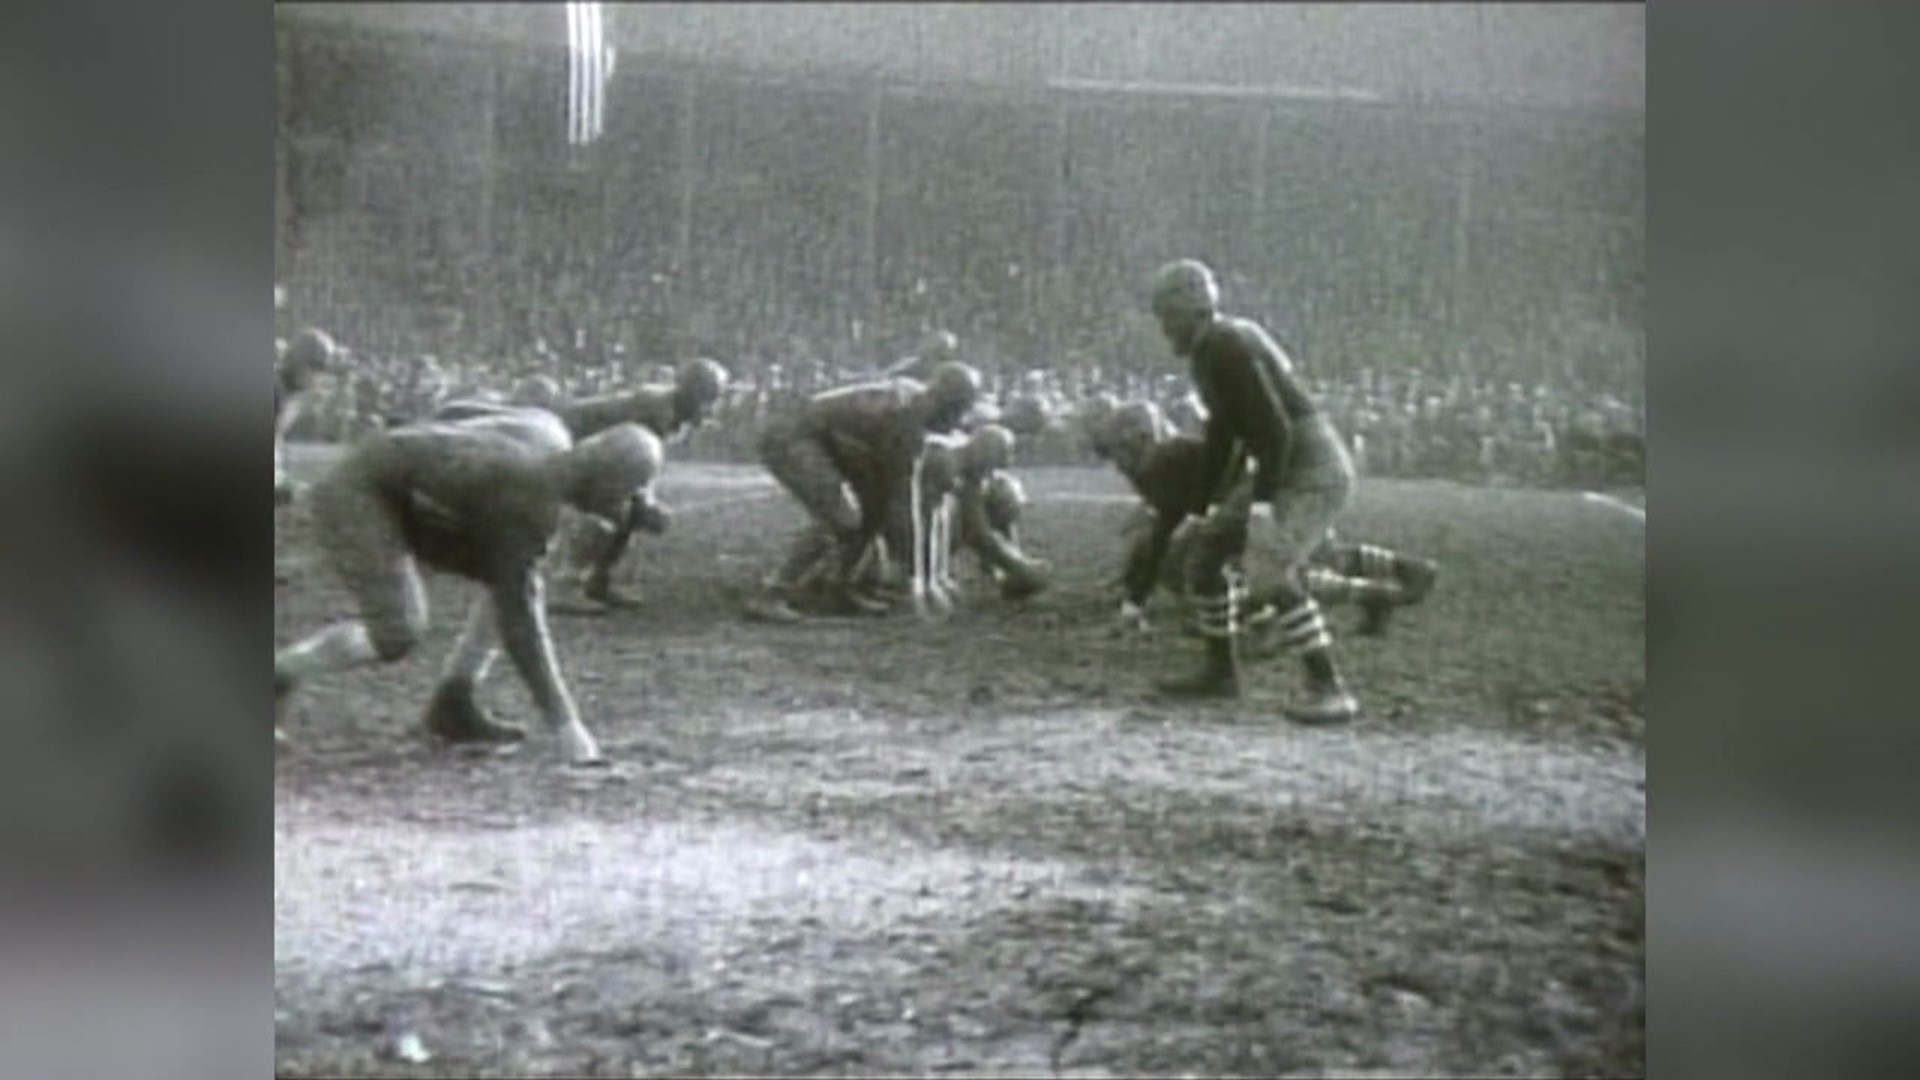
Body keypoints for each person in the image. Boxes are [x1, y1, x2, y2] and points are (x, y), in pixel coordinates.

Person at [273, 408, 667, 766]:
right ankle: (281, 670)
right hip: (361, 494)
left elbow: (458, 411)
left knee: (514, 580)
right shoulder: (530, 502)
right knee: (398, 629)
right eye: (628, 492)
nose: (629, 503)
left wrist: (427, 462)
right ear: (602, 484)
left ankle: (454, 702)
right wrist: (566, 726)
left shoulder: (548, 429)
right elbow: (522, 626)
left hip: (396, 484)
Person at [1144, 259, 1361, 724]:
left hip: (1309, 465)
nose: (1164, 328)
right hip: (1286, 461)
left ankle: (1329, 686)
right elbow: (1224, 435)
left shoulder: (1226, 344)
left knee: (1269, 571)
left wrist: (1260, 503)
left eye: (1168, 316)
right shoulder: (1214, 348)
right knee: (1203, 557)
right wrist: (1203, 508)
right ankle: (1221, 673)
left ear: (1193, 309)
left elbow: (1274, 431)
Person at [1089, 400, 1438, 638]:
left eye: (1120, 451)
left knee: (1268, 571)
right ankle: (1402, 572)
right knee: (1314, 555)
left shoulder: (1163, 462)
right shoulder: (1167, 457)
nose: (1117, 462)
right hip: (1259, 494)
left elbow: (1164, 530)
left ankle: (1370, 595)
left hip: (1262, 494)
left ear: (1139, 439)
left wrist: (1133, 600)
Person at [437, 357, 729, 611]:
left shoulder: (672, 409)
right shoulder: (656, 408)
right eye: (707, 397)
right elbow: (632, 460)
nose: (710, 406)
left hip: (586, 447)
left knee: (628, 513)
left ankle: (598, 581)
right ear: (691, 392)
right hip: (565, 444)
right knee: (615, 512)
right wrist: (647, 503)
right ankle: (568, 584)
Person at [744, 361, 983, 623]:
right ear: (949, 404)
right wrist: (918, 583)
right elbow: (905, 504)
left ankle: (840, 587)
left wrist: (926, 579)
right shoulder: (907, 421)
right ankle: (772, 593)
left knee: (873, 511)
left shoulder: (912, 403)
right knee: (839, 518)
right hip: (795, 436)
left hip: (821, 437)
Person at [275, 327, 340, 505]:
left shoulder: (288, 394)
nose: (320, 376)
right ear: (300, 362)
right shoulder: (276, 392)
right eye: (319, 367)